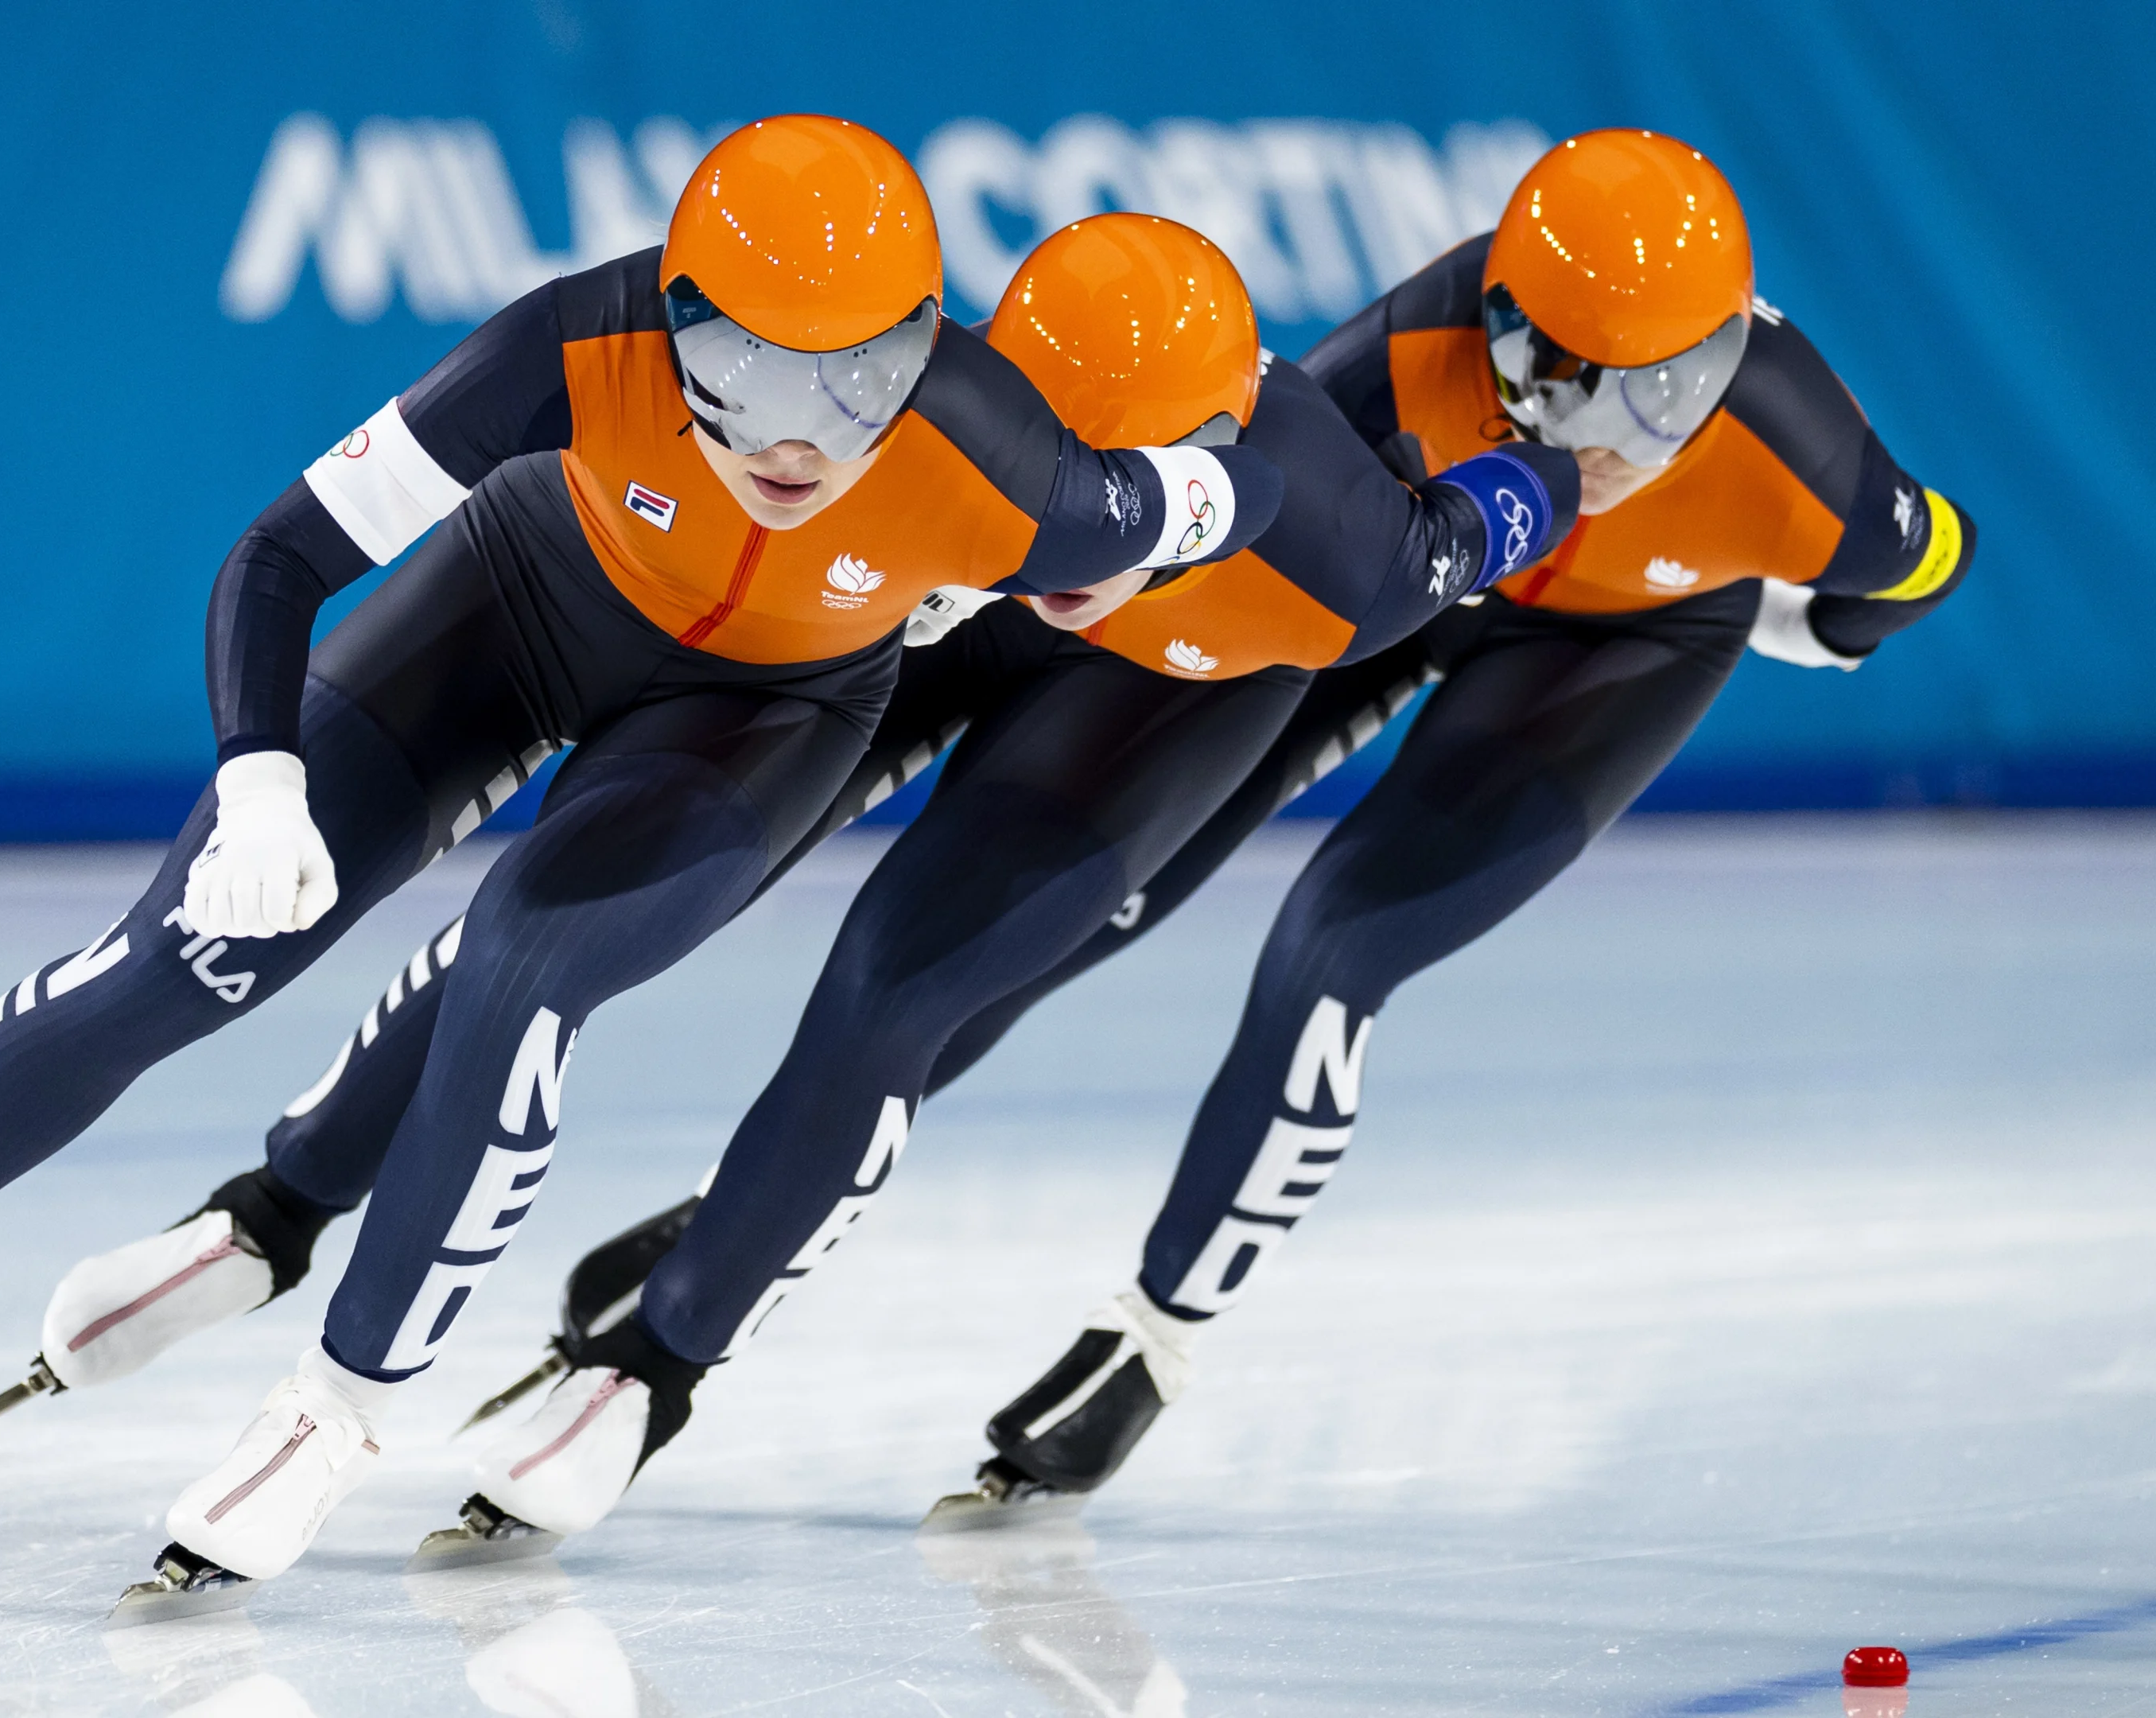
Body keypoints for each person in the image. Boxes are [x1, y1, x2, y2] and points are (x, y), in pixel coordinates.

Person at [0, 118, 1292, 1592]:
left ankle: (334, 1410)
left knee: (521, 974)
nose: (810, 430)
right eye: (753, 365)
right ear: (672, 321)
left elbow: (1218, 490)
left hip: (756, 726)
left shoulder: (1003, 453)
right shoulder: (566, 347)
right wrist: (261, 775)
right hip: (513, 608)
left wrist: (1240, 505)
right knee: (191, 948)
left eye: (871, 369)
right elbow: (278, 557)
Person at [216, 125, 1978, 1537]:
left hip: (1577, 642)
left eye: (1657, 394)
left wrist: (1782, 615)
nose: (1600, 432)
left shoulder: (1791, 454)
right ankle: (393, 1189)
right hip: (1286, 592)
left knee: (1320, 944)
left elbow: (1910, 568)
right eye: (1549, 370)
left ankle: (1126, 1335)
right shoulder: (1331, 413)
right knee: (794, 872)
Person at [0, 213, 1582, 1569]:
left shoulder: (1350, 557)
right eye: (1050, 446)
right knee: (555, 916)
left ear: (1213, 456)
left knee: (898, 996)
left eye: (1123, 481)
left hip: (1165, 703)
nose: (1073, 510)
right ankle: (286, 1204)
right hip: (935, 624)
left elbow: (1494, 521)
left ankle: (663, 1364)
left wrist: (1567, 479)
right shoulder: (961, 443)